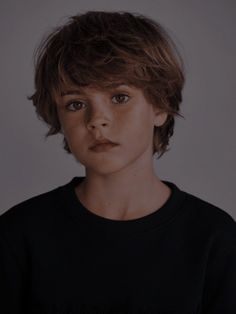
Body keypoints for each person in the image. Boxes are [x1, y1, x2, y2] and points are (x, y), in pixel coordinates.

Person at [0, 10, 235, 314]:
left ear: (160, 106)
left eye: (119, 97)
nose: (97, 120)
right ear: (58, 118)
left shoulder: (215, 240)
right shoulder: (17, 236)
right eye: (75, 103)